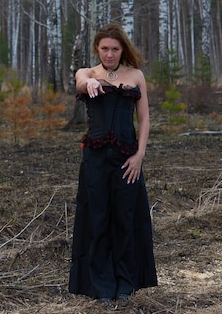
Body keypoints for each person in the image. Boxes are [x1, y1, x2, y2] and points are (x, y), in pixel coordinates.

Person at [68, 23, 157, 302]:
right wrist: (91, 83)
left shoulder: (136, 76)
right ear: (97, 48)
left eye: (115, 49)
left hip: (126, 159)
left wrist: (139, 155)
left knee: (125, 218)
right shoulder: (87, 73)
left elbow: (143, 119)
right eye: (104, 48)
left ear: (123, 49)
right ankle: (101, 286)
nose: (109, 54)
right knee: (97, 219)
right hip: (95, 159)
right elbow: (81, 82)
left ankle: (125, 284)